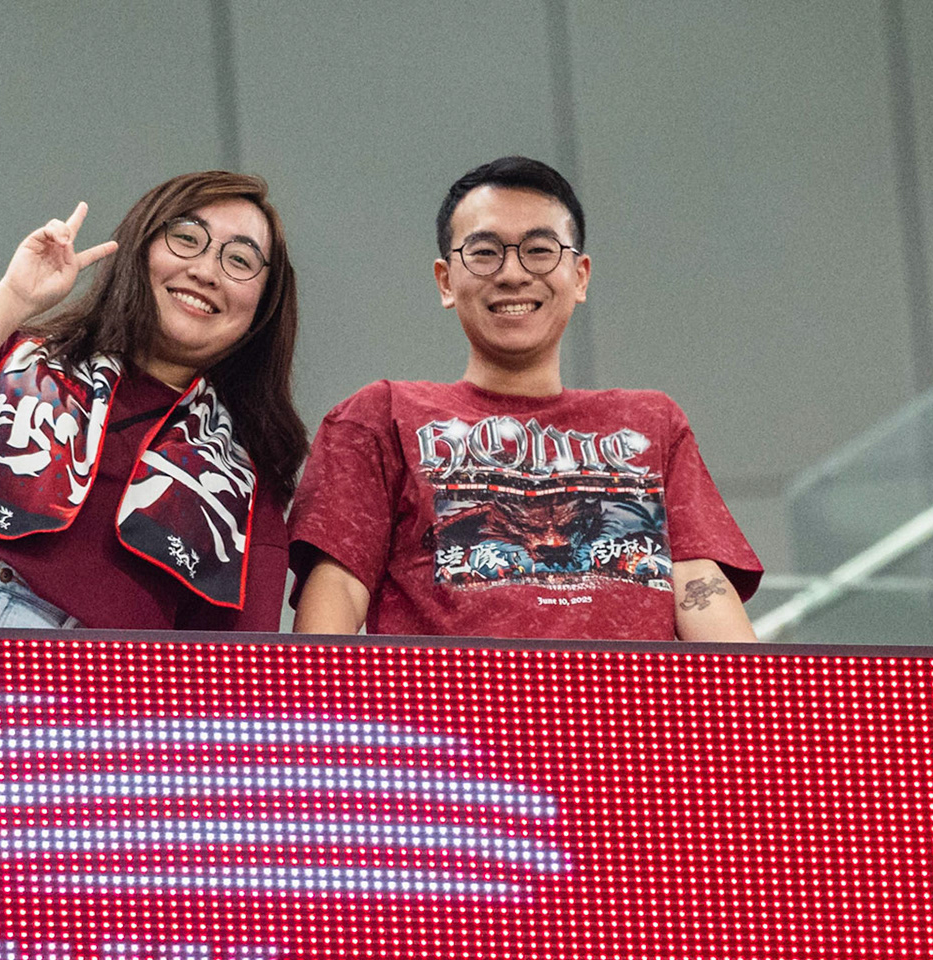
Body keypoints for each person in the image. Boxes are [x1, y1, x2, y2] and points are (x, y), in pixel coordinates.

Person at [289, 156, 762, 642]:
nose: (513, 273)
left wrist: (760, 711)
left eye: (539, 250)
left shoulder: (652, 422)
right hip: (446, 717)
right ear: (446, 280)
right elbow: (338, 592)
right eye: (485, 252)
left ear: (579, 277)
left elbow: (699, 585)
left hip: (633, 716)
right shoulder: (380, 416)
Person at [0, 171, 304, 632]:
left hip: (75, 688)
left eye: (239, 260)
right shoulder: (21, 356)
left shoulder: (247, 475)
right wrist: (15, 297)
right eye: (187, 239)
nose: (205, 271)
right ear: (139, 252)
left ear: (263, 306)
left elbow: (240, 670)